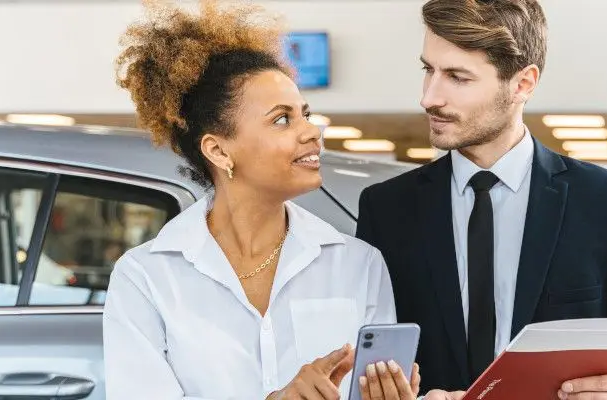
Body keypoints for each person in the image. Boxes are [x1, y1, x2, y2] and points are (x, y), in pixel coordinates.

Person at [355, 0, 607, 399]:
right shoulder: (387, 208)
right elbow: (364, 364)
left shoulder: (605, 201)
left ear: (523, 83)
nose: (429, 98)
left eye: (457, 77)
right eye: (428, 70)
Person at [102, 1, 419, 398]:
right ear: (218, 151)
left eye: (306, 113)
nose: (312, 132)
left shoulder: (358, 264)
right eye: (282, 119)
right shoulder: (146, 277)